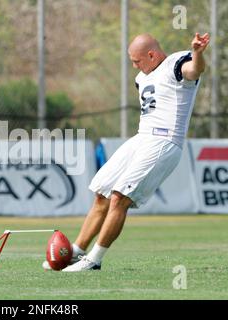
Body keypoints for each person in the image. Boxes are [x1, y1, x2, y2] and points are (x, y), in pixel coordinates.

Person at [43, 32, 210, 272]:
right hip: (142, 138)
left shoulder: (177, 62)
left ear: (151, 55)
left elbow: (194, 70)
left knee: (119, 198)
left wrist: (197, 52)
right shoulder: (142, 77)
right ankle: (75, 252)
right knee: (102, 192)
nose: (134, 65)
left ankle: (94, 260)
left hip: (164, 141)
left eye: (137, 60)